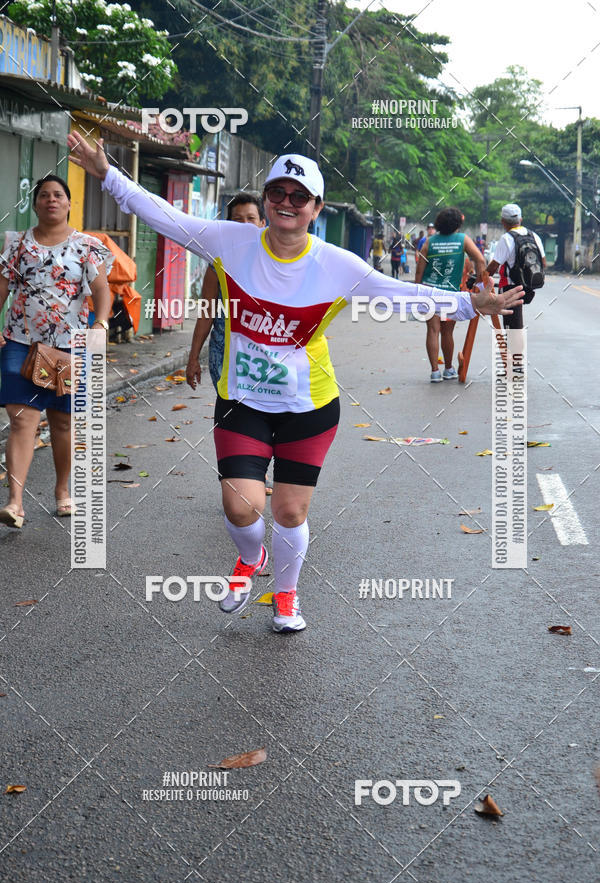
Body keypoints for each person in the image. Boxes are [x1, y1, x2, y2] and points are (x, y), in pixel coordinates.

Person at [67, 131, 523, 633]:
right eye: (278, 192)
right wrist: (107, 174)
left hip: (310, 407)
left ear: (316, 208)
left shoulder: (337, 265)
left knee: (288, 512)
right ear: (266, 199)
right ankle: (251, 558)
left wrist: (470, 303)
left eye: (300, 196)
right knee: (241, 507)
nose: (287, 203)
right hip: (242, 402)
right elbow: (163, 216)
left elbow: (401, 294)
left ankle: (286, 595)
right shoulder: (230, 241)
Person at [0, 174, 112, 528]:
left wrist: (101, 323)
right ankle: (15, 503)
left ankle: (62, 490)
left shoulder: (86, 246)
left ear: (68, 203)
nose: (51, 199)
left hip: (69, 346)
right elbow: (2, 287)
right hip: (20, 342)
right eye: (44, 195)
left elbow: (102, 290)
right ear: (35, 204)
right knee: (22, 420)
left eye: (58, 195)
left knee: (62, 423)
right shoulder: (16, 244)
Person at [186, 193, 266, 392]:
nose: (244, 225)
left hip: (265, 359)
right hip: (224, 357)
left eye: (251, 218)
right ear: (229, 225)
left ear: (262, 223)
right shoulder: (217, 264)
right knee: (230, 408)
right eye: (238, 219)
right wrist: (193, 358)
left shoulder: (275, 264)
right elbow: (207, 313)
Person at [415, 207, 485, 382]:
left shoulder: (429, 242)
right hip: (450, 294)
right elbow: (480, 259)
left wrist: (417, 291)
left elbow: (419, 271)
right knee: (447, 333)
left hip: (429, 291)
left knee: (432, 331)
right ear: (458, 224)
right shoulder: (463, 240)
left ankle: (434, 372)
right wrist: (480, 285)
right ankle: (448, 369)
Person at [486, 203, 546, 329]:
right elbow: (543, 263)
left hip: (510, 287)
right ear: (520, 219)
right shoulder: (533, 236)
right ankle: (516, 342)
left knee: (512, 327)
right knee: (516, 325)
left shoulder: (507, 238)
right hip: (528, 285)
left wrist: (481, 279)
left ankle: (516, 343)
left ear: (503, 221)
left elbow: (493, 266)